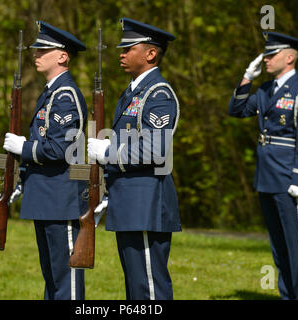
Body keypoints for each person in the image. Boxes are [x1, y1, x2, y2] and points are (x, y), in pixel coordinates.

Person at [88, 18, 181, 300]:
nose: (121, 53)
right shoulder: (132, 92)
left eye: (129, 47)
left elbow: (155, 150)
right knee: (135, 286)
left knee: (149, 287)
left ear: (151, 54)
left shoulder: (158, 93)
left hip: (146, 201)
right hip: (128, 198)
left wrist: (106, 153)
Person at [228, 31, 298, 300]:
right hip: (267, 177)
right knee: (279, 248)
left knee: (297, 246)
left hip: (289, 177)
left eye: (272, 54)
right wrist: (247, 78)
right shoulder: (267, 90)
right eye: (265, 54)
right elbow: (237, 111)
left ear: (290, 57)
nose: (265, 59)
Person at [4, 21, 88, 300]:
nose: (35, 54)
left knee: (66, 279)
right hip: (45, 194)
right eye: (36, 50)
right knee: (51, 278)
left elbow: (60, 149)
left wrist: (24, 148)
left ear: (62, 56)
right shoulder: (52, 92)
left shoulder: (66, 95)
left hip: (60, 197)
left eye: (43, 50)